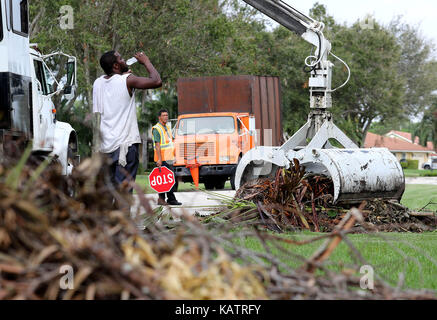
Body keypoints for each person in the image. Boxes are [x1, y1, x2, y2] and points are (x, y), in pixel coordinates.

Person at [93, 51, 162, 199]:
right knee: (124, 192)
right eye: (121, 58)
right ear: (116, 65)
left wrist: (125, 77)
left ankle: (110, 222)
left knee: (109, 193)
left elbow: (111, 92)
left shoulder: (98, 83)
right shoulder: (127, 80)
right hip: (126, 145)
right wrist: (146, 61)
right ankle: (124, 222)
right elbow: (156, 81)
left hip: (106, 148)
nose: (125, 60)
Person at [152, 109, 182, 206]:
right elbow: (157, 145)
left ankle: (165, 199)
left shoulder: (167, 128)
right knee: (165, 180)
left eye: (167, 115)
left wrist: (174, 155)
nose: (166, 117)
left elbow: (170, 143)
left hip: (169, 158)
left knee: (168, 179)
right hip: (162, 159)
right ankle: (168, 199)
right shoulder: (157, 128)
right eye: (164, 115)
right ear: (159, 117)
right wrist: (159, 159)